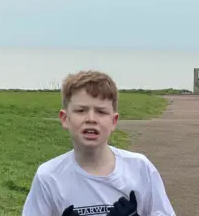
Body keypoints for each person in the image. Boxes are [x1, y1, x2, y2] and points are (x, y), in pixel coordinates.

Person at [22, 70, 176, 216]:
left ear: (114, 121)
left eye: (101, 112)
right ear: (65, 118)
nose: (91, 119)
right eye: (81, 110)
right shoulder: (49, 177)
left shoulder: (140, 169)